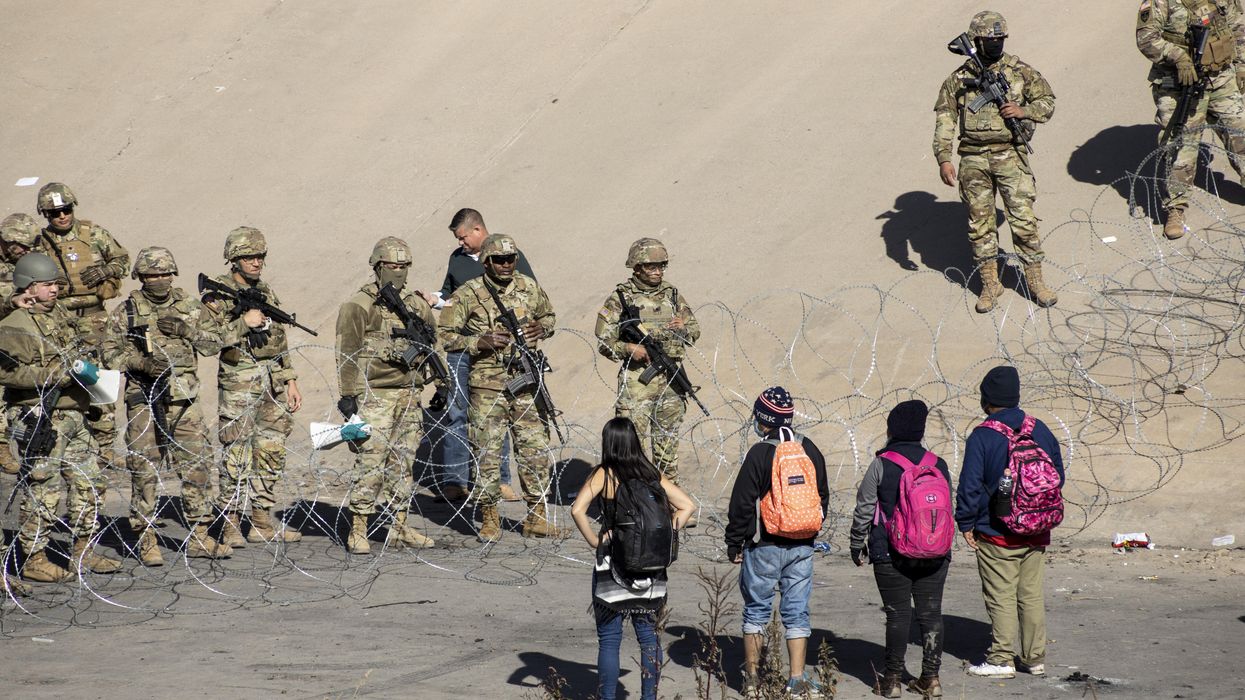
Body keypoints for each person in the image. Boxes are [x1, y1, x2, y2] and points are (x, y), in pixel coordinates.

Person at [102, 247, 233, 566]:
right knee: (145, 468)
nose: (160, 280)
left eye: (165, 274)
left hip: (183, 399)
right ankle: (145, 536)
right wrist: (139, 363)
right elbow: (108, 354)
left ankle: (200, 533)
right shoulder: (127, 311)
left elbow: (215, 343)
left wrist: (188, 330)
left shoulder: (189, 305)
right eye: (152, 275)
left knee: (196, 464)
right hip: (143, 398)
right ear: (141, 278)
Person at [0, 253, 121, 582]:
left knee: (90, 483)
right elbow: (9, 374)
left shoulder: (60, 316)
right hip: (40, 416)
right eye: (47, 285)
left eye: (55, 284)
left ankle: (83, 548)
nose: (55, 290)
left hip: (75, 412)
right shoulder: (14, 326)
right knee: (43, 487)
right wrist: (52, 374)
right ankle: (34, 557)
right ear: (29, 287)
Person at [438, 233, 561, 542]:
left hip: (525, 381)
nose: (506, 265)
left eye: (511, 260)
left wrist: (540, 328)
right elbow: (446, 335)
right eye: (499, 260)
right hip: (488, 384)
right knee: (487, 452)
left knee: (533, 448)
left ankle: (536, 516)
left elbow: (549, 316)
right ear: (487, 261)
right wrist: (479, 341)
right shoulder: (469, 293)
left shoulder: (529, 288)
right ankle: (490, 518)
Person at [933, 11, 1058, 312]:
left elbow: (1047, 101)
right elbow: (945, 118)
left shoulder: (1019, 71)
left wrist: (1023, 112)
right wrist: (943, 158)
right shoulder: (959, 79)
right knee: (980, 225)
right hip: (973, 158)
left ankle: (1035, 280)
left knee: (1023, 220)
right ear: (976, 41)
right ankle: (990, 283)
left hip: (1009, 154)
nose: (996, 44)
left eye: (1000, 39)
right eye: (990, 40)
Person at [570, 417, 695, 700]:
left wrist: (595, 540)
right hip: (650, 568)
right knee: (649, 639)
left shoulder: (604, 474)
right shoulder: (650, 473)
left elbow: (577, 509)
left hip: (613, 565)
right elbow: (688, 506)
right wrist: (663, 533)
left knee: (610, 640)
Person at [956, 365, 1064, 679]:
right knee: (1030, 595)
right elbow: (1058, 476)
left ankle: (1001, 658)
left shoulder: (983, 435)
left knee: (1001, 595)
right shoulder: (1039, 429)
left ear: (986, 399)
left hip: (996, 531)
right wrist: (1036, 509)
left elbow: (970, 485)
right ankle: (1033, 657)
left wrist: (966, 522)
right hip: (1036, 530)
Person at [336, 236, 439, 554]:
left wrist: (439, 383)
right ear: (378, 266)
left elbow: (433, 343)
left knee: (403, 462)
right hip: (374, 395)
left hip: (408, 394)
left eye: (404, 266)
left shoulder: (417, 305)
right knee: (371, 461)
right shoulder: (359, 304)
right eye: (393, 266)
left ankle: (399, 525)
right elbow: (347, 351)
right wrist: (348, 394)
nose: (399, 272)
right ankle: (359, 527)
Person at [201, 227, 303, 546]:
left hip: (271, 386)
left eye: (260, 256)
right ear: (234, 259)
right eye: (249, 257)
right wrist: (242, 324)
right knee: (237, 455)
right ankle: (231, 523)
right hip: (238, 386)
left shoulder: (266, 292)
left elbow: (278, 339)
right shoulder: (217, 296)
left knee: (271, 452)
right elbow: (205, 341)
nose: (256, 262)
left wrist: (290, 379)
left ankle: (261, 520)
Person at [425, 208, 535, 503]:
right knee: (458, 411)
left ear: (477, 230)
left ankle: (500, 480)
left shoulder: (508, 256)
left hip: (500, 351)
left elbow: (529, 295)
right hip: (463, 346)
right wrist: (436, 299)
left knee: (498, 412)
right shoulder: (457, 259)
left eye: (463, 237)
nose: (461, 243)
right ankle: (455, 481)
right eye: (457, 239)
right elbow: (450, 293)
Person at [726, 387, 829, 698]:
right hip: (803, 544)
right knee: (797, 611)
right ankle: (797, 678)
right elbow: (822, 495)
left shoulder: (760, 453)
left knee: (756, 610)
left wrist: (735, 542)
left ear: (762, 419)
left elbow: (742, 502)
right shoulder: (808, 448)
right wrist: (808, 529)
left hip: (763, 544)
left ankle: (754, 680)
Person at [850, 400, 952, 697]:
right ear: (920, 431)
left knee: (897, 614)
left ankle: (892, 679)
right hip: (935, 552)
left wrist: (858, 544)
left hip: (890, 552)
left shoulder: (881, 464)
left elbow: (865, 509)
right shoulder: (938, 464)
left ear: (892, 430)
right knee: (931, 613)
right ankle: (931, 679)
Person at [593, 238, 701, 497]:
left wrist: (682, 329)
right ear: (637, 267)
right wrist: (629, 349)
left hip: (671, 381)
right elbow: (603, 338)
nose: (658, 271)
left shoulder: (672, 295)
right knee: (633, 447)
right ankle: (636, 500)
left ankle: (668, 500)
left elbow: (694, 330)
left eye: (661, 266)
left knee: (667, 446)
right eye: (651, 266)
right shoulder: (621, 297)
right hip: (637, 383)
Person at [35, 182, 130, 467]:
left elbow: (123, 259)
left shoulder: (93, 233)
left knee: (98, 377)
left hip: (94, 316)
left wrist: (106, 269)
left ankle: (105, 446)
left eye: (66, 210)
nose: (62, 216)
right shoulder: (41, 244)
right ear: (46, 215)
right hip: (59, 318)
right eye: (54, 213)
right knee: (62, 377)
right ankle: (68, 439)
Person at [1138, 0, 1245, 239]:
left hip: (1220, 77)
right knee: (1180, 146)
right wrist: (1179, 57)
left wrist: (1241, 66)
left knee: (1240, 131)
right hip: (1179, 84)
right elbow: (1146, 38)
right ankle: (1175, 207)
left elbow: (1236, 24)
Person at [0, 213, 41, 476]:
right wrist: (10, 301)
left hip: (17, 336)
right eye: (20, 246)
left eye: (29, 246)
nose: (26, 251)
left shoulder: (25, 262)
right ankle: (1, 444)